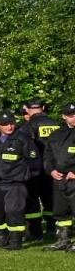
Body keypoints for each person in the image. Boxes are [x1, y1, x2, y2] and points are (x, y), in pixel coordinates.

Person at [0, 111, 32, 251]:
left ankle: (15, 241)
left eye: (11, 123)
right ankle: (1, 238)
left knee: (13, 211)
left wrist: (22, 174)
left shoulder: (22, 139)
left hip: (15, 183)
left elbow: (34, 162)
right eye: (5, 124)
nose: (9, 127)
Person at [21, 98, 59, 241]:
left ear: (27, 110)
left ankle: (35, 231)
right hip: (53, 169)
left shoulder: (27, 126)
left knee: (32, 201)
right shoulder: (55, 124)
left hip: (34, 169)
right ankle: (52, 228)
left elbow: (24, 146)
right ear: (43, 107)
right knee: (50, 199)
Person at [45, 103, 75, 251]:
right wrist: (51, 171)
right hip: (59, 179)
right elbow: (47, 155)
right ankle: (63, 240)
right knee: (61, 212)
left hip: (73, 178)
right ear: (64, 116)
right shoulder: (56, 134)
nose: (74, 118)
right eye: (71, 115)